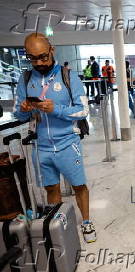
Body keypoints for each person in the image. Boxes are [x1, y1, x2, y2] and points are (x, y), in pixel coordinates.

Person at [13, 33, 96, 243]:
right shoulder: (25, 79)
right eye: (33, 58)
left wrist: (56, 109)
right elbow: (18, 113)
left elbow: (83, 110)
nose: (39, 63)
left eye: (43, 57)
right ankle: (60, 225)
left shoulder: (69, 76)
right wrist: (24, 110)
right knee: (51, 188)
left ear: (52, 50)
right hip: (41, 146)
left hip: (68, 143)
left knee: (79, 186)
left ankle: (86, 222)